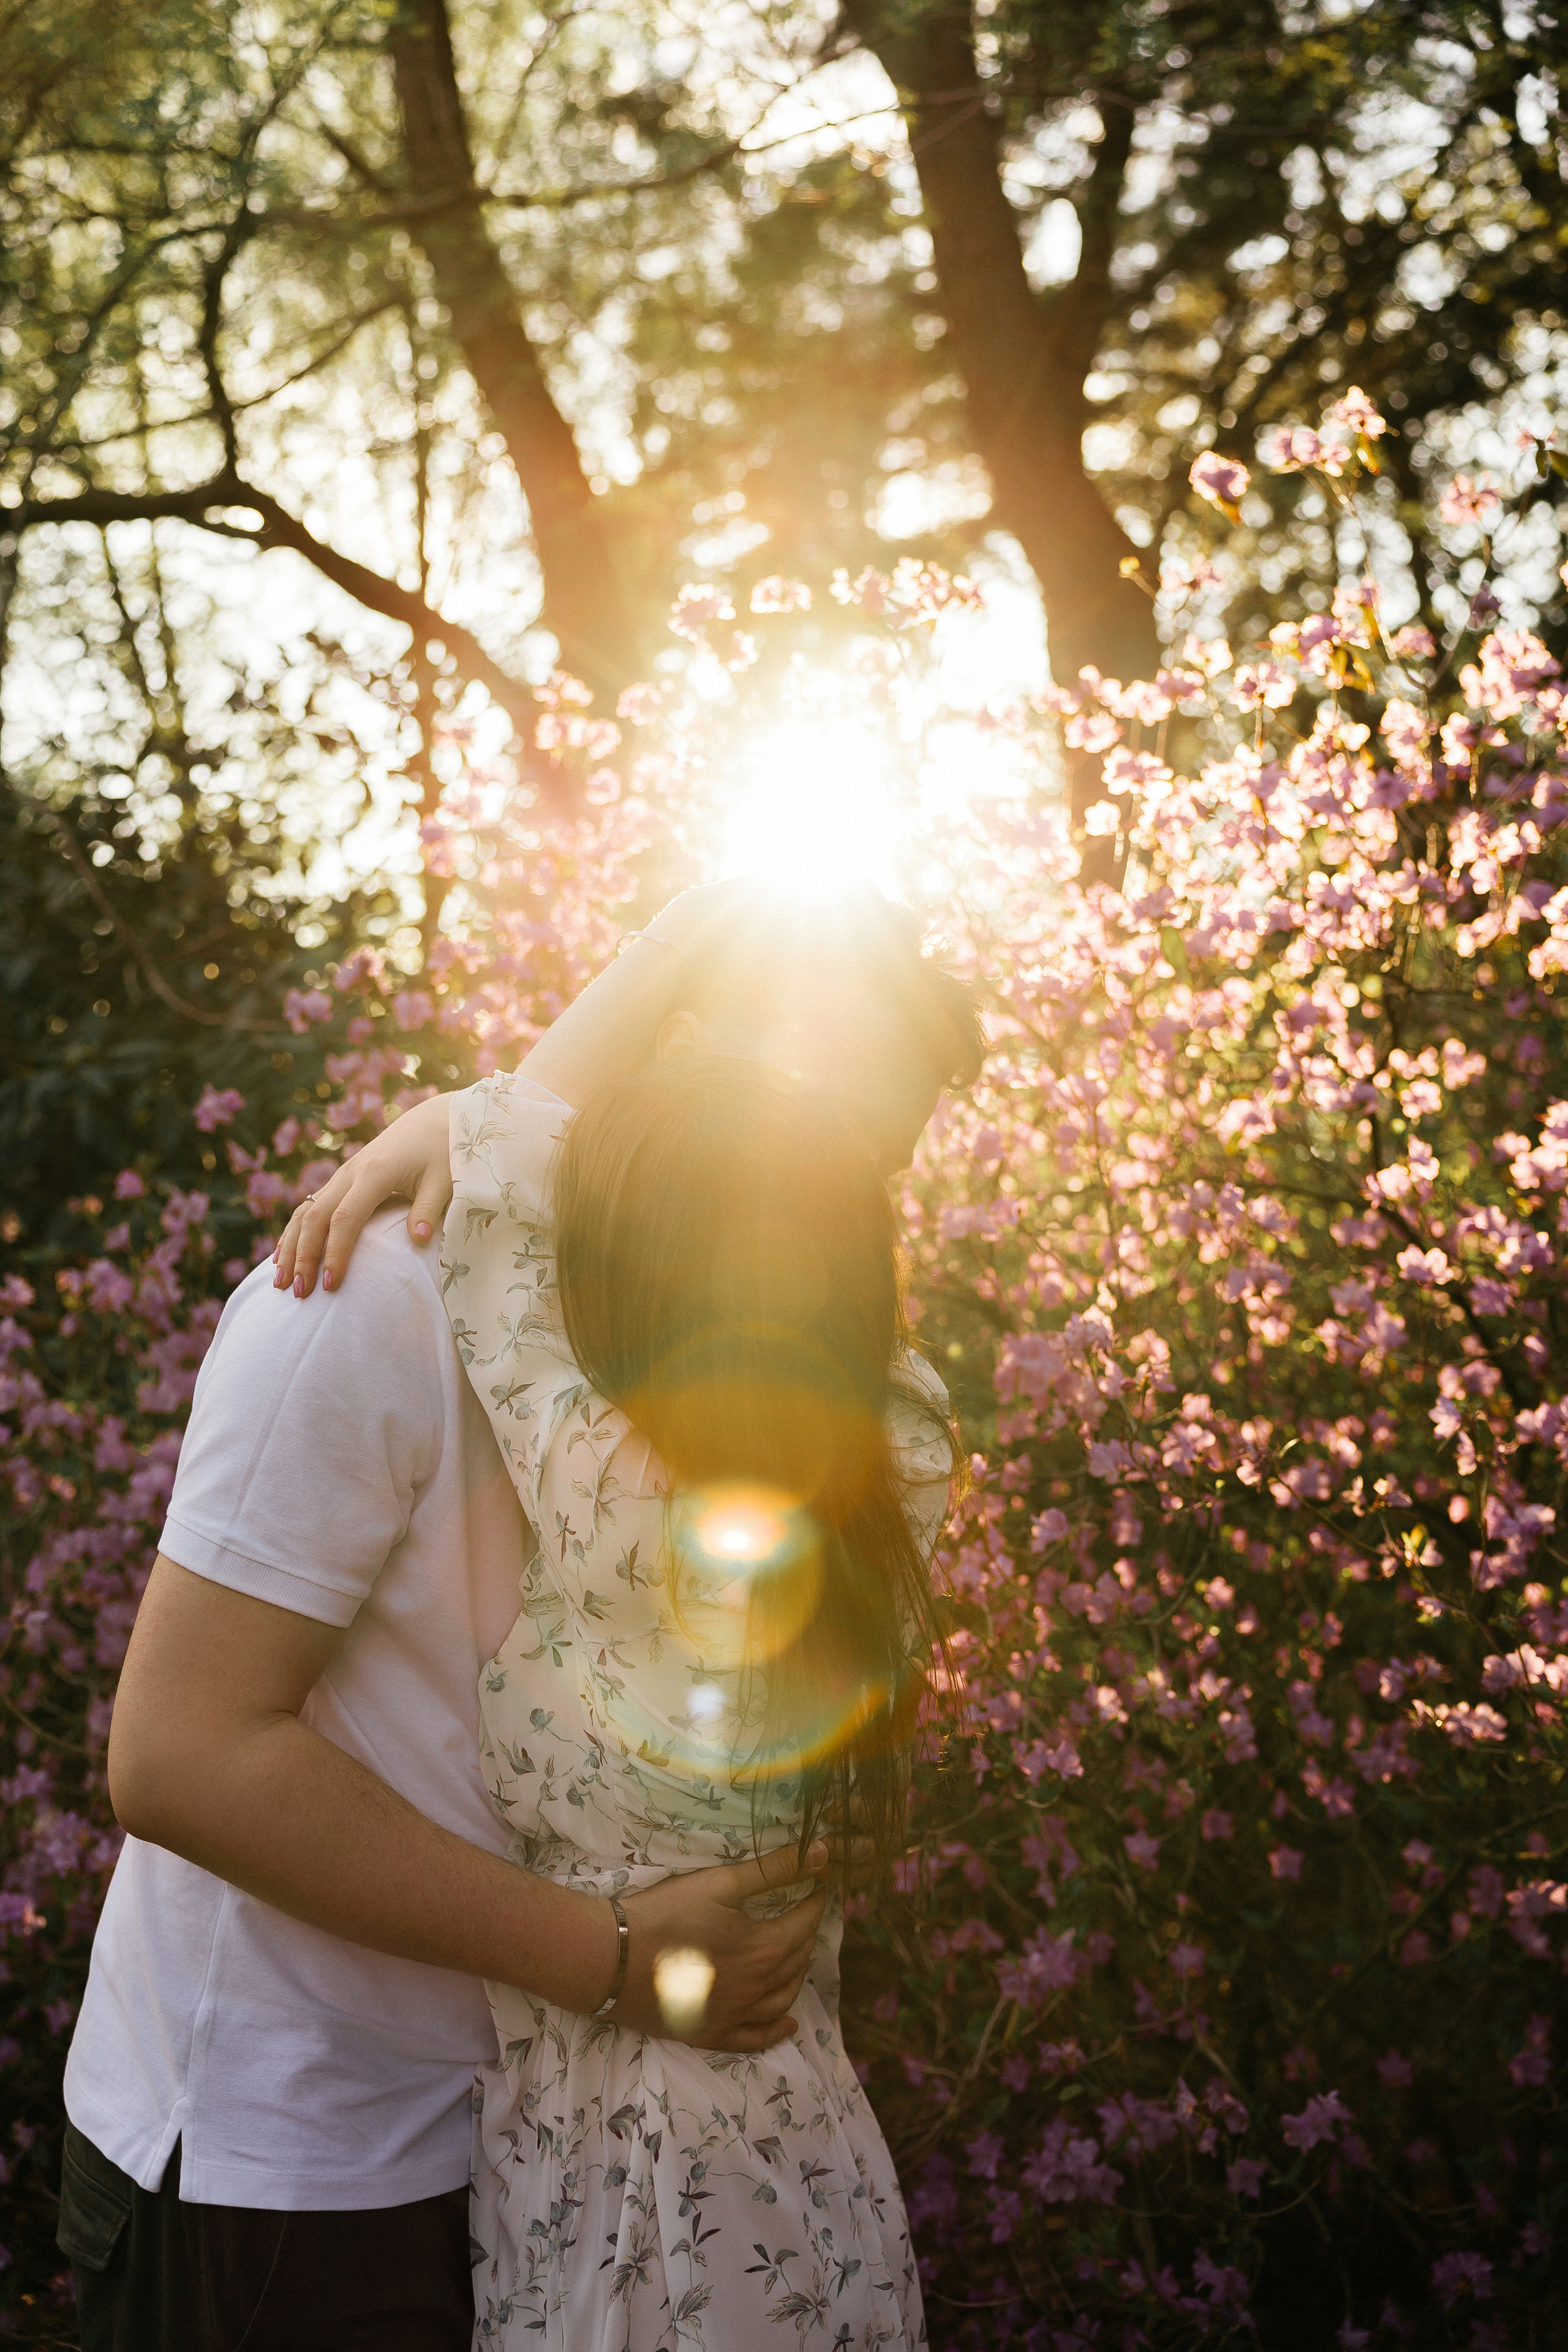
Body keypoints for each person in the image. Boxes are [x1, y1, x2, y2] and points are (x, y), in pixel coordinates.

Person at [56, 877, 976, 2352]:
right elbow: (177, 1755)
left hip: (545, 2144)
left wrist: (489, 1109)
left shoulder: (782, 1411)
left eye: (869, 1166)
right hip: (299, 2163)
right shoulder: (374, 1298)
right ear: (677, 1078)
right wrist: (614, 1960)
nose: (826, 1210)